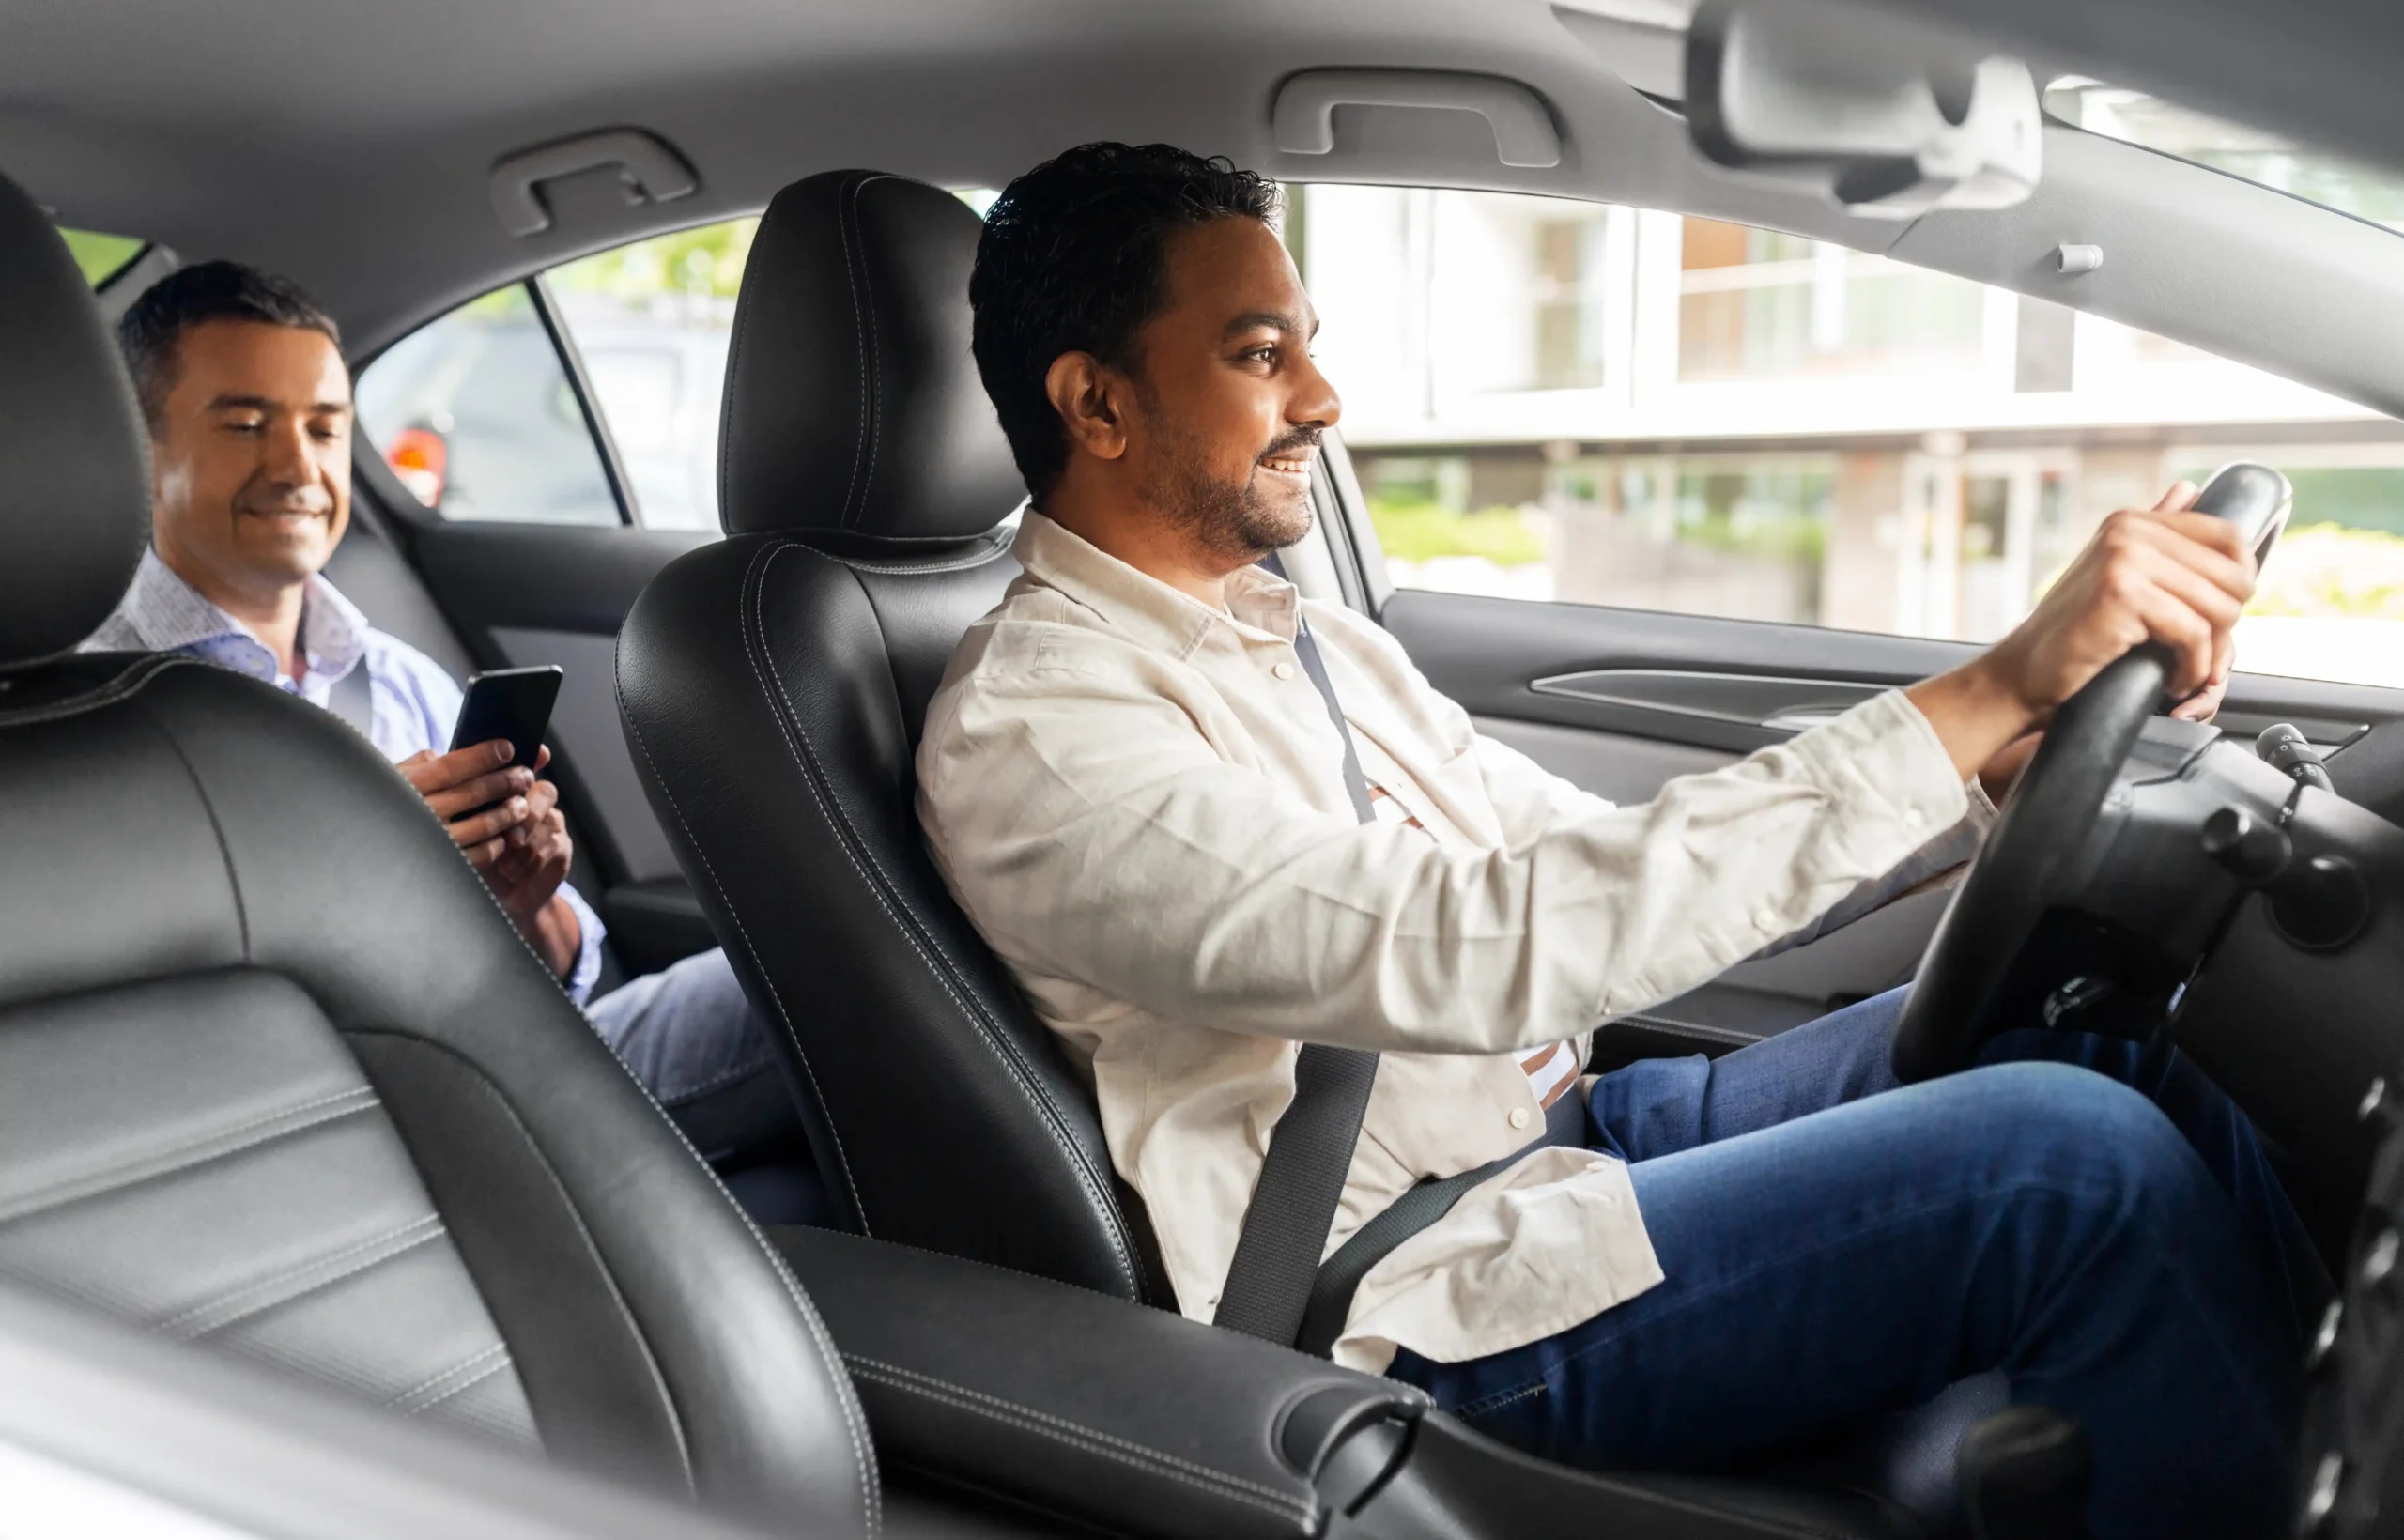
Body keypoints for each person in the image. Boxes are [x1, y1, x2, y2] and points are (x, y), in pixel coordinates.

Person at [917, 142, 2324, 1539]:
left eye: (1309, 346)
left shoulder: (1305, 636)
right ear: (1097, 402)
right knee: (2066, 1162)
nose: (1324, 398)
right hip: (1424, 1282)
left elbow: (1596, 854)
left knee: (2110, 1032)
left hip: (1576, 1135)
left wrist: (1985, 770)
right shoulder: (1041, 731)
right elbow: (1484, 941)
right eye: (1258, 354)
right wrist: (1984, 683)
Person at [83, 262, 798, 1175]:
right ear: (145, 448)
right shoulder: (90, 708)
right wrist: (381, 874)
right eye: (246, 424)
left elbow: (566, 972)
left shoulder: (395, 674)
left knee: (829, 971)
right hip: (339, 1129)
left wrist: (526, 905)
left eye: (325, 428)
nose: (298, 466)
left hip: (518, 1059)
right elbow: (156, 1035)